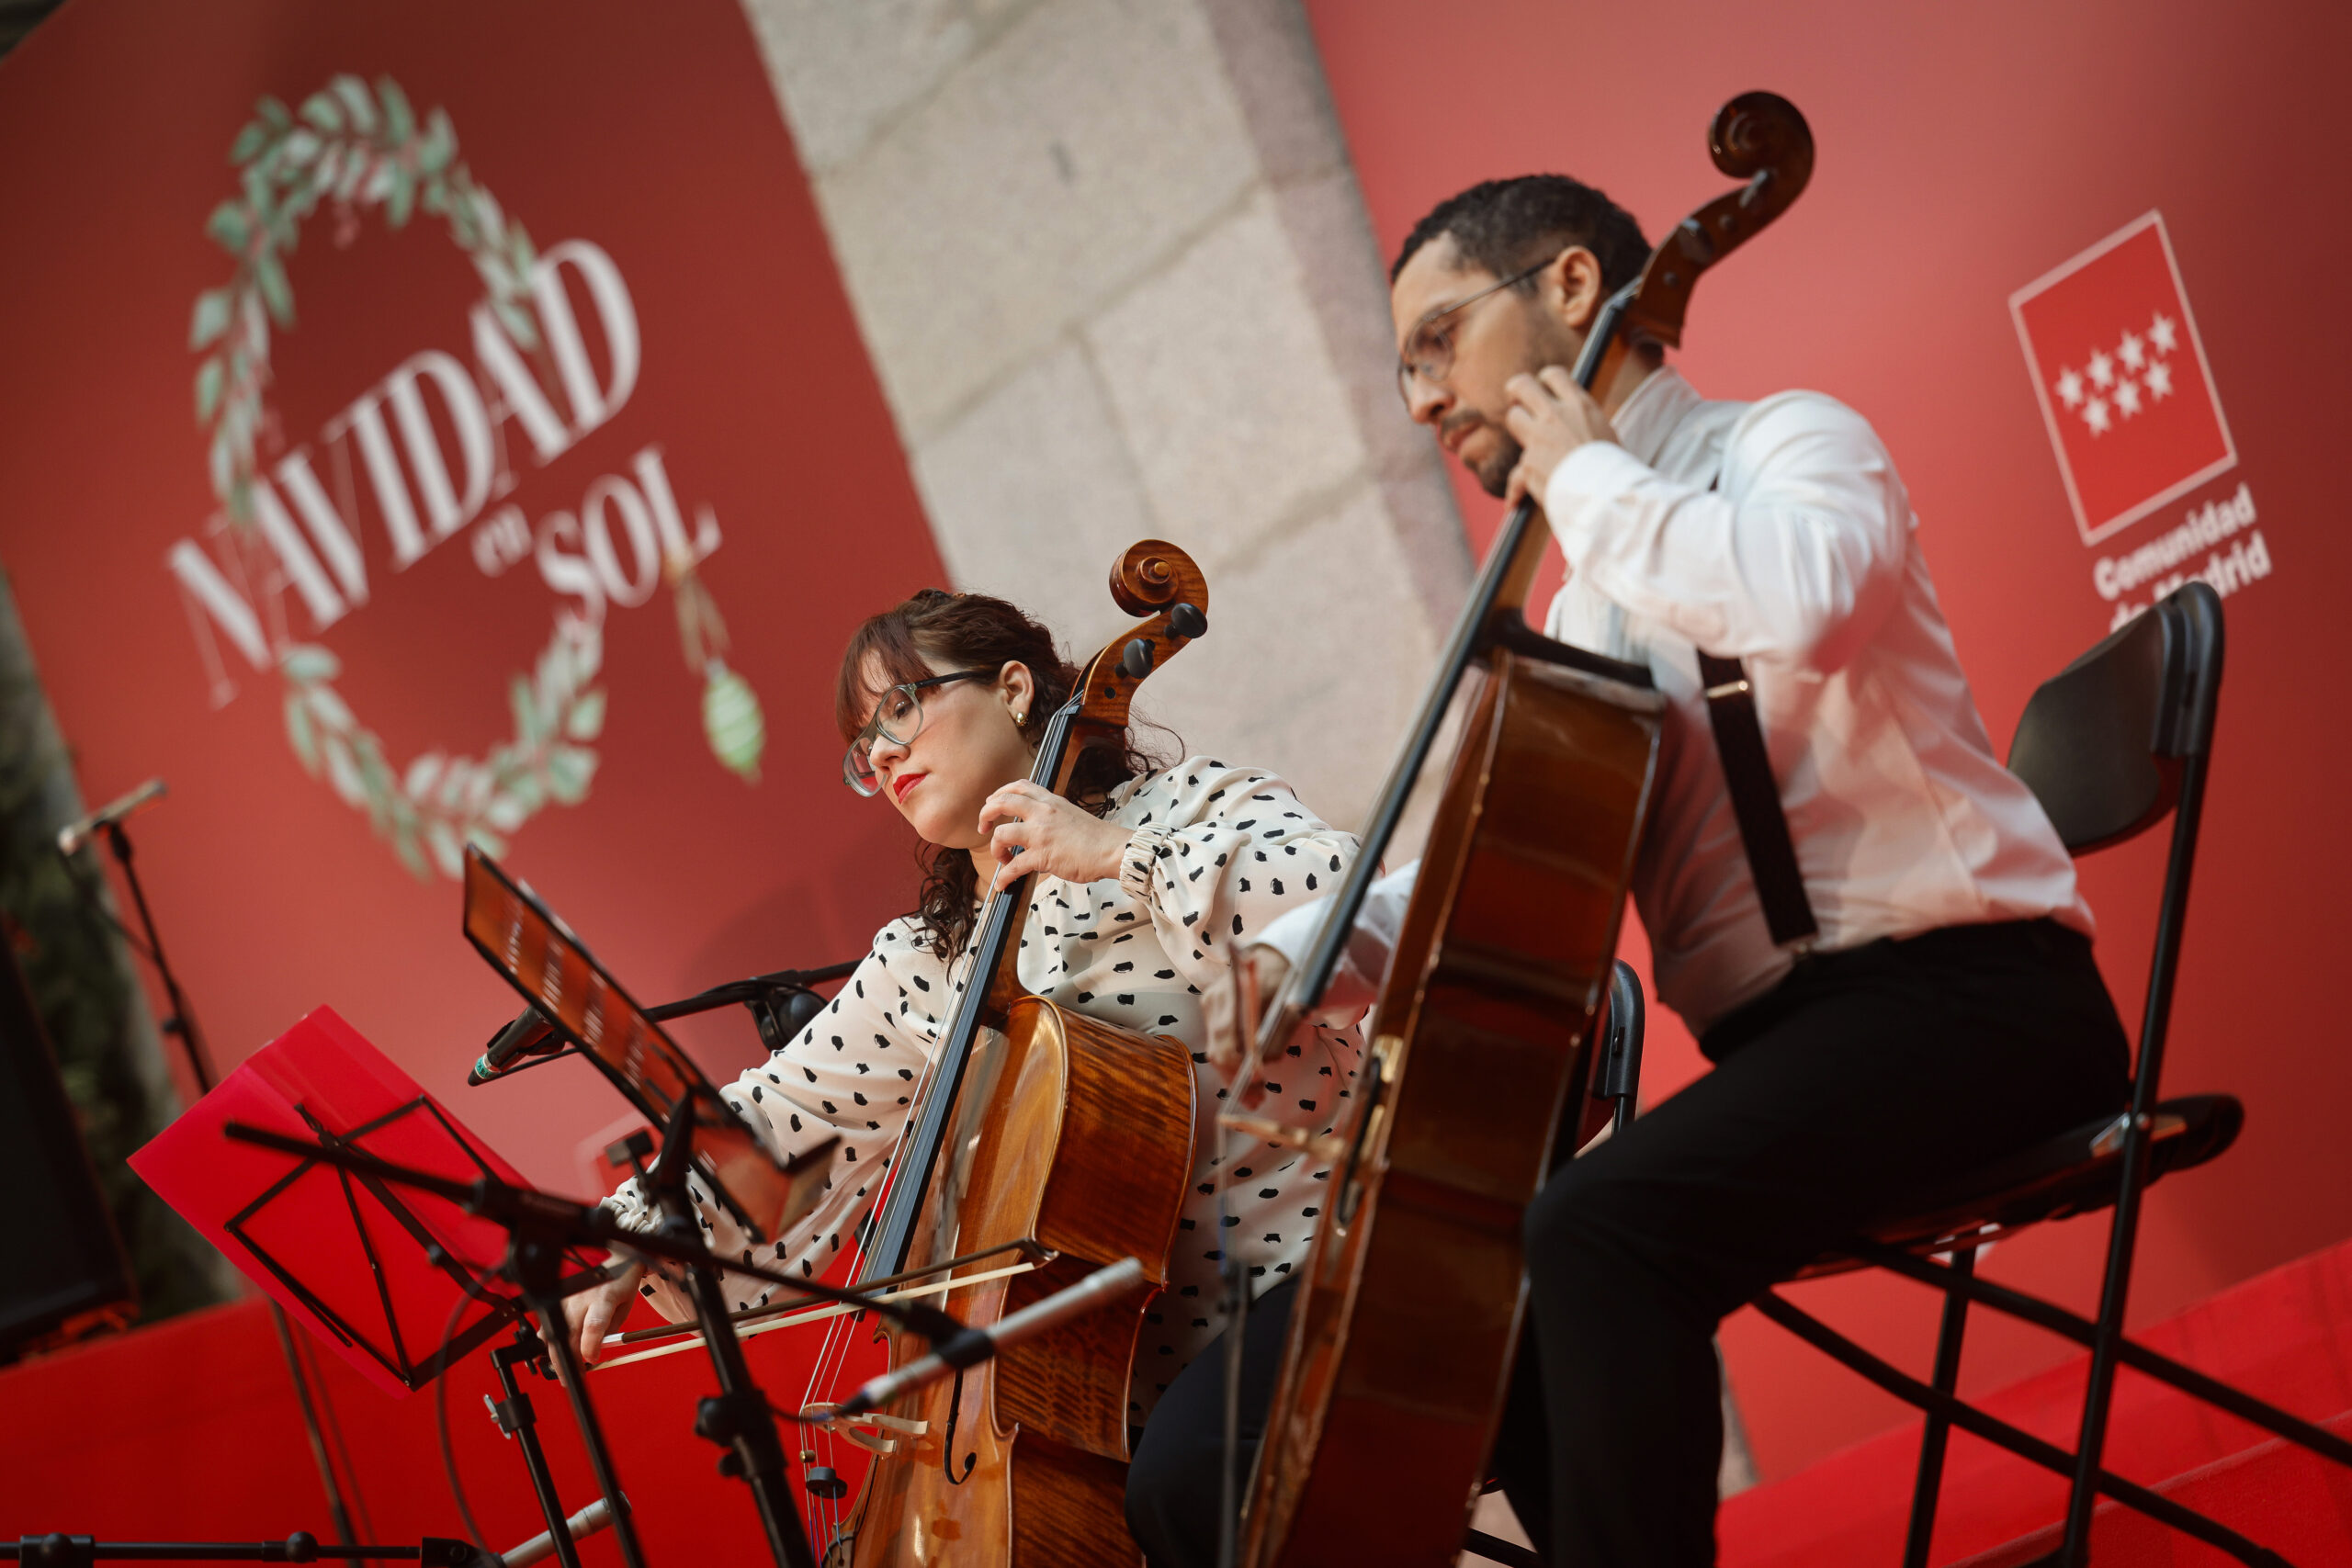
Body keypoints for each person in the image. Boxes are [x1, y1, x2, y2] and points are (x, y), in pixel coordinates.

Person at [1180, 175, 2133, 1567]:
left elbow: (1801, 597)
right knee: (1507, 1293)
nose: (1421, 403)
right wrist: (1303, 952)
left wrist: (1583, 474)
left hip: (1983, 1006)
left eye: (1438, 342)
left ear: (1571, 290)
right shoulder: (1590, 596)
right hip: (1801, 1058)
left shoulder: (1791, 447)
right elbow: (1481, 857)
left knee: (1601, 1230)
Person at [557, 587, 1365, 1561]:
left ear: (1016, 688)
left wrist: (1117, 855)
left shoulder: (1183, 810)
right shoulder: (928, 962)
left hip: (1327, 1269)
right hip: (1117, 1391)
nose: (882, 752)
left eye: (901, 707)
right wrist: (643, 1234)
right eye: (864, 742)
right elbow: (776, 1125)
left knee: (1184, 1484)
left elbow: (1345, 908)